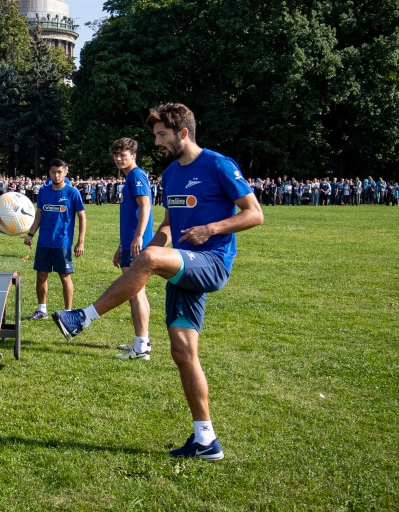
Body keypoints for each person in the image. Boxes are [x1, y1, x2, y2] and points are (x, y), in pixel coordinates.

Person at [52, 103, 263, 461]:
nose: (157, 142)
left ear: (183, 133)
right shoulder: (171, 174)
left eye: (161, 134)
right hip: (183, 265)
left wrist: (211, 229)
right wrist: (146, 253)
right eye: (155, 135)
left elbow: (254, 213)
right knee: (182, 352)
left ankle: (82, 318)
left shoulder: (219, 165)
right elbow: (167, 225)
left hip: (211, 262)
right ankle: (206, 440)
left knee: (148, 262)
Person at [22, 159, 86, 319]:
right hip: (44, 241)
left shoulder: (72, 193)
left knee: (64, 276)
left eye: (59, 172)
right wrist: (31, 234)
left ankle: (68, 313)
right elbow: (39, 214)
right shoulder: (44, 191)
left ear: (66, 172)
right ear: (49, 174)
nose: (56, 175)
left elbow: (82, 218)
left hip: (62, 242)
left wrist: (80, 241)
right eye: (53, 172)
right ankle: (41, 310)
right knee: (41, 275)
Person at [109, 138, 155, 360]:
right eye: (116, 155)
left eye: (123, 154)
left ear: (133, 155)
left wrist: (138, 237)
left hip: (137, 244)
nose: (119, 158)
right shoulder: (131, 177)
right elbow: (130, 215)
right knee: (138, 294)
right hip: (130, 244)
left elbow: (145, 205)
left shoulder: (136, 176)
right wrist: (121, 245)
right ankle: (142, 339)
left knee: (134, 294)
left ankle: (140, 349)